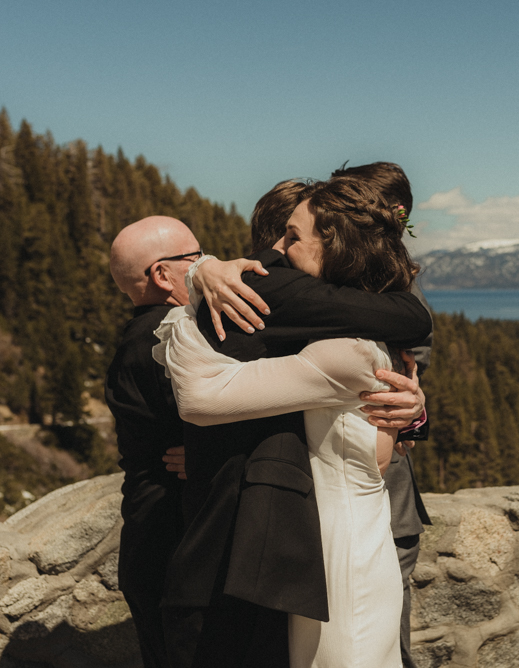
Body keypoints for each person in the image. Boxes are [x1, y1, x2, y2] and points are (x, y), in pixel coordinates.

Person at [159, 179, 432, 667]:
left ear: (337, 247)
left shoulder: (346, 352)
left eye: (291, 237)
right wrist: (205, 270)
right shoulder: (352, 333)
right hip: (330, 541)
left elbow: (201, 397)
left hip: (340, 550)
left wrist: (191, 301)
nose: (276, 251)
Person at [104, 216, 260, 667]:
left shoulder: (146, 336)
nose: (208, 264)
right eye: (195, 257)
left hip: (159, 547)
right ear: (161, 274)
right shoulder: (168, 341)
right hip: (179, 556)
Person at [331, 161, 432, 668]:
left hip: (386, 500)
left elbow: (411, 372)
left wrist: (413, 416)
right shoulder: (313, 283)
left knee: (389, 642)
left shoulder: (399, 291)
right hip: (335, 499)